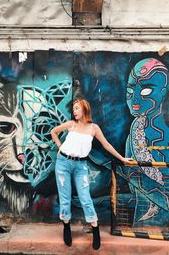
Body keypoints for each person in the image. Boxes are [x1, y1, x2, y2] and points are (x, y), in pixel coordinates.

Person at [51, 99, 132, 250]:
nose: (74, 111)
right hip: (63, 163)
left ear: (84, 109)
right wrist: (60, 147)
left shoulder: (94, 128)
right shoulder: (71, 124)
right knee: (65, 198)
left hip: (81, 165)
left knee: (85, 198)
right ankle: (66, 226)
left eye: (77, 108)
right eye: (73, 109)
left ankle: (95, 228)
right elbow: (53, 132)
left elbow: (106, 145)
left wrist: (121, 158)